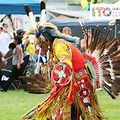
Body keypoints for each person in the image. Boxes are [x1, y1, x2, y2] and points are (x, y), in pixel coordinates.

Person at [21, 23, 104, 120]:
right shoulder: (57, 44)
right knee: (74, 112)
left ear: (46, 41)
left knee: (87, 114)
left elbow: (66, 65)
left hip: (78, 84)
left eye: (40, 45)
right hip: (77, 83)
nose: (40, 48)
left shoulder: (59, 47)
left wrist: (60, 78)